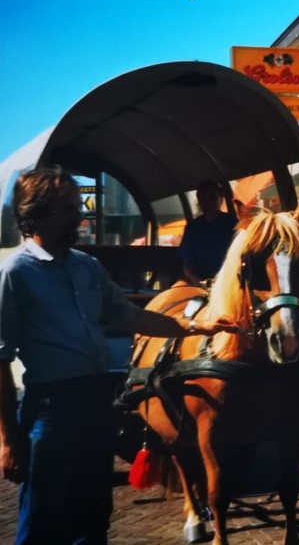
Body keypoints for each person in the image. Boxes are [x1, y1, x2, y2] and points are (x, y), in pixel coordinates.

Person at [0, 167, 238, 545]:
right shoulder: (15, 273)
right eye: (69, 209)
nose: (79, 217)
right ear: (39, 214)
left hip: (97, 402)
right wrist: (8, 440)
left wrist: (196, 326)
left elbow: (132, 316)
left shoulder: (86, 266)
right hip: (51, 410)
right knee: (43, 514)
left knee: (95, 512)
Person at [178, 180, 238, 285]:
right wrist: (198, 281)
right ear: (199, 201)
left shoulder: (233, 224)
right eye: (203, 198)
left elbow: (240, 255)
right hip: (199, 282)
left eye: (213, 198)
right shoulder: (192, 228)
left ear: (221, 200)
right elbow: (187, 262)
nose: (208, 202)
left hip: (229, 280)